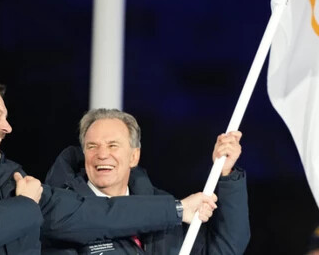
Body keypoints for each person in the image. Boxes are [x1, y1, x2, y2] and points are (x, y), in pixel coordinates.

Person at [0, 80, 217, 255]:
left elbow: (89, 213)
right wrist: (24, 202)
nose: (7, 127)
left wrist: (175, 210)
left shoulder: (11, 176)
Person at [43, 108, 250, 254]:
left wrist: (226, 173)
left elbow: (224, 250)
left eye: (113, 145)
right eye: (92, 146)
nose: (102, 154)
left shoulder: (164, 208)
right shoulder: (63, 214)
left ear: (134, 156)